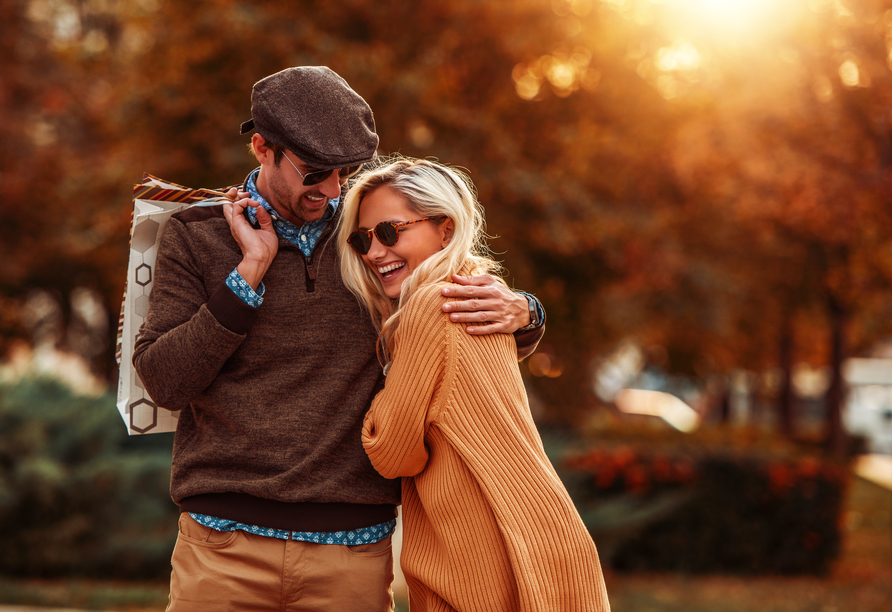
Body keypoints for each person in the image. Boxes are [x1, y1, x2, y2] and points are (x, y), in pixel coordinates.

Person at [132, 66, 545, 612]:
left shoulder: (371, 236)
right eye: (315, 172)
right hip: (221, 549)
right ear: (262, 147)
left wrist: (526, 311)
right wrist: (248, 275)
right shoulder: (195, 233)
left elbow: (450, 311)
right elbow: (164, 380)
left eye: (344, 172)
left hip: (351, 557)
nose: (331, 190)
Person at [337, 158, 610, 612]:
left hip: (488, 563)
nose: (374, 252)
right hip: (539, 542)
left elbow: (391, 451)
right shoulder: (482, 293)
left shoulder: (430, 304)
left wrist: (376, 401)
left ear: (445, 229)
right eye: (363, 239)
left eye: (390, 232)